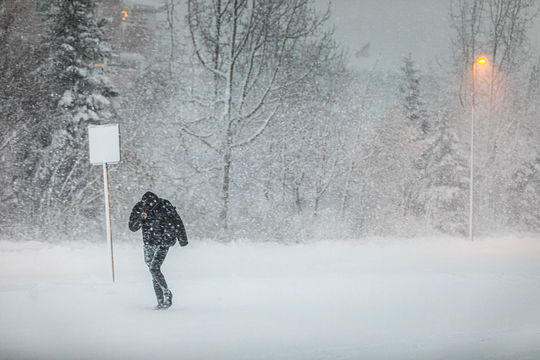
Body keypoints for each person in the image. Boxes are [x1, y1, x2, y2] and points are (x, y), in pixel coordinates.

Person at [129, 191, 188, 309]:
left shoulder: (165, 205)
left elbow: (177, 222)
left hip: (164, 241)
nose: (151, 209)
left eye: (153, 206)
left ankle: (166, 293)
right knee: (153, 270)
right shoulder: (140, 207)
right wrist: (141, 217)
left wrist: (182, 240)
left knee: (154, 268)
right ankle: (161, 301)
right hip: (149, 242)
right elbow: (132, 227)